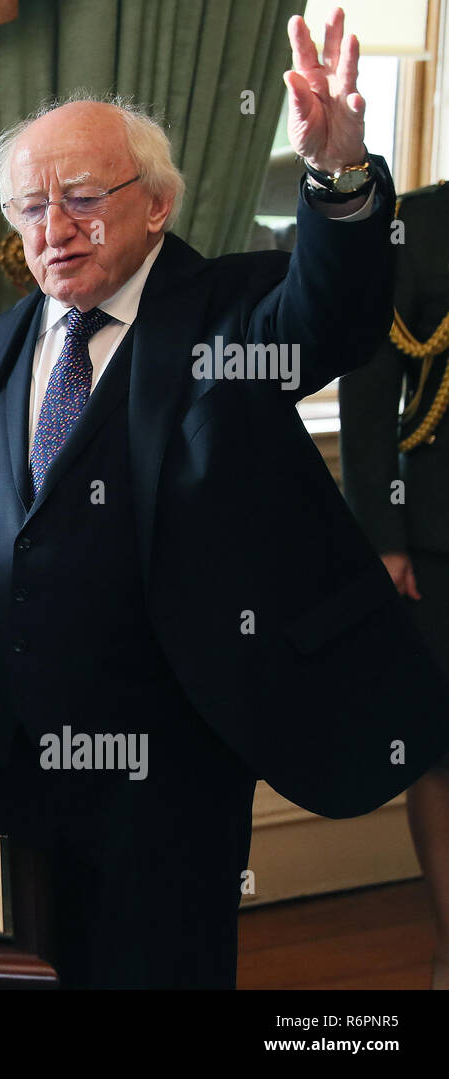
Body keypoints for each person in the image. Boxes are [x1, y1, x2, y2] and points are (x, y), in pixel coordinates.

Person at [0, 8, 449, 988]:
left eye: (84, 198)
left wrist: (339, 177)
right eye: (26, 208)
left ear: (156, 204)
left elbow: (334, 311)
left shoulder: (231, 312)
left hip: (164, 772)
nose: (53, 229)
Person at [340, 179, 449, 990]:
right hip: (437, 534)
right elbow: (371, 383)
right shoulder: (420, 221)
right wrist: (382, 536)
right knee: (442, 757)